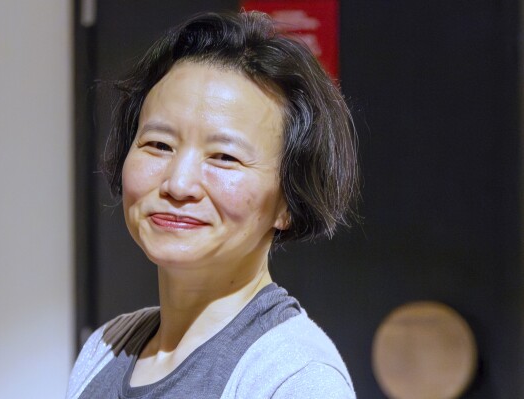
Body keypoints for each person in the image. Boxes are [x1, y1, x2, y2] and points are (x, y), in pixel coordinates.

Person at [67, 10, 358, 399]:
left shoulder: (294, 378)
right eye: (158, 145)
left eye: (224, 157)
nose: (179, 183)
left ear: (289, 200)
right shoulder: (105, 349)